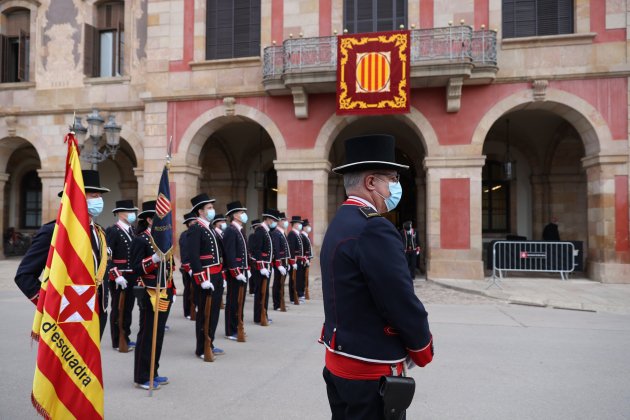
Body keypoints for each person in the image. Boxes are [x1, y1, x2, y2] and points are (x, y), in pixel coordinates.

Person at [319, 134, 434, 419]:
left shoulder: (341, 222)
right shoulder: (374, 228)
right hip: (370, 369)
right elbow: (399, 299)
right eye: (392, 179)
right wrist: (422, 346)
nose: (396, 186)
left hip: (340, 361)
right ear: (371, 182)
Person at [131, 200, 173, 390]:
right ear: (149, 219)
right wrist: (153, 259)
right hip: (149, 292)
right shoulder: (141, 239)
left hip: (164, 292)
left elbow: (170, 267)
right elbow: (136, 268)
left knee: (158, 335)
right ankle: (142, 376)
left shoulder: (163, 241)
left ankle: (153, 371)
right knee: (147, 334)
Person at [187, 193, 225, 359]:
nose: (212, 210)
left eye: (212, 207)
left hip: (216, 276)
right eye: (209, 208)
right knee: (204, 313)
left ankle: (210, 342)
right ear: (200, 211)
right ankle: (201, 348)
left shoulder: (210, 228)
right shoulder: (196, 229)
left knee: (214, 312)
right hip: (206, 277)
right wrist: (202, 279)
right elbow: (194, 256)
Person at [106, 199, 139, 352]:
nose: (132, 214)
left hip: (131, 275)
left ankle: (126, 336)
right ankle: (117, 340)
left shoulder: (132, 230)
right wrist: (116, 274)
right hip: (119, 276)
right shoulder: (113, 231)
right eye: (129, 211)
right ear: (119, 213)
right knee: (118, 308)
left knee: (128, 308)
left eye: (133, 211)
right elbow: (107, 257)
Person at [222, 201, 249, 341]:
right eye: (241, 212)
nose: (244, 215)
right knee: (233, 301)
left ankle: (238, 326)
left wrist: (246, 268)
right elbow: (230, 254)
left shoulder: (239, 229)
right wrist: (236, 272)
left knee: (240, 301)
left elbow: (244, 252)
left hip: (242, 271)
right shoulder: (230, 231)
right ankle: (230, 330)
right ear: (234, 215)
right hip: (235, 273)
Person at [250, 209, 279, 324]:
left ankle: (264, 313)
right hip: (262, 267)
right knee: (260, 292)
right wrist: (261, 266)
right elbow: (257, 250)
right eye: (273, 220)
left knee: (265, 292)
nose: (274, 222)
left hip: (267, 266)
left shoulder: (266, 231)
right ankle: (259, 316)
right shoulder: (260, 231)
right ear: (267, 219)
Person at [179, 212, 197, 320]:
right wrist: (188, 268)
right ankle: (187, 311)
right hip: (187, 267)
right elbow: (184, 253)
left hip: (196, 266)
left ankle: (195, 308)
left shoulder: (197, 233)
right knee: (188, 289)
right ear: (189, 224)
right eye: (194, 222)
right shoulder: (185, 235)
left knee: (195, 289)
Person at [271, 211, 290, 311]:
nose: (285, 222)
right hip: (280, 262)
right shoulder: (276, 233)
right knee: (278, 283)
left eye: (286, 220)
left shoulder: (282, 233)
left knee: (282, 283)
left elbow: (286, 249)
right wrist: (279, 264)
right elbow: (276, 249)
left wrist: (288, 263)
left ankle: (281, 301)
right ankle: (276, 304)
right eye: (283, 220)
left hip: (284, 262)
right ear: (278, 221)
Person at [287, 216, 305, 305]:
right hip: (294, 261)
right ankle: (293, 297)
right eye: (299, 223)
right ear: (294, 224)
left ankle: (298, 295)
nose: (300, 225)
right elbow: (291, 249)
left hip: (299, 260)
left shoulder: (297, 234)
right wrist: (292, 261)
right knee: (293, 279)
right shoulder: (291, 234)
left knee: (298, 278)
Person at [301, 219, 314, 302]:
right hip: (303, 260)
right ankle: (301, 292)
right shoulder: (302, 236)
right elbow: (302, 250)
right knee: (302, 277)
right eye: (308, 226)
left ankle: (304, 292)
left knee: (305, 277)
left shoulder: (306, 236)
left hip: (307, 259)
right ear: (304, 227)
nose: (309, 227)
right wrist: (305, 259)